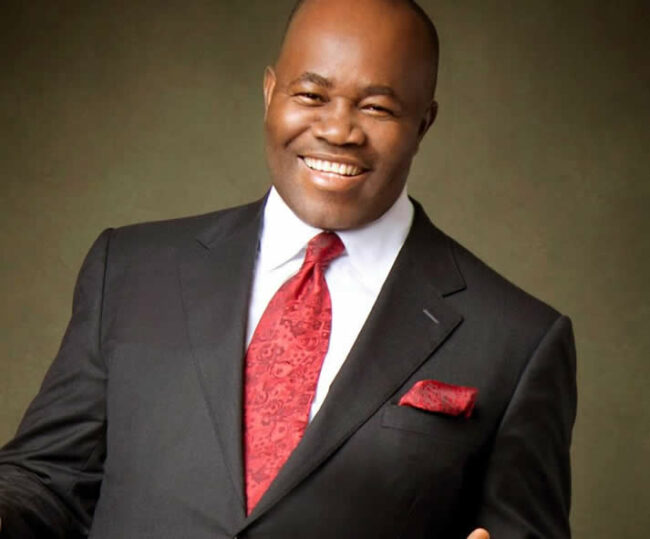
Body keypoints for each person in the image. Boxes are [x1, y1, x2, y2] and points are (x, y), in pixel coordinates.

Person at [0, 0, 576, 537]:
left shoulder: (519, 340)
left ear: (423, 123)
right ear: (270, 93)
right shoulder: (129, 270)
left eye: (377, 107)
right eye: (311, 94)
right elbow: (47, 481)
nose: (338, 131)